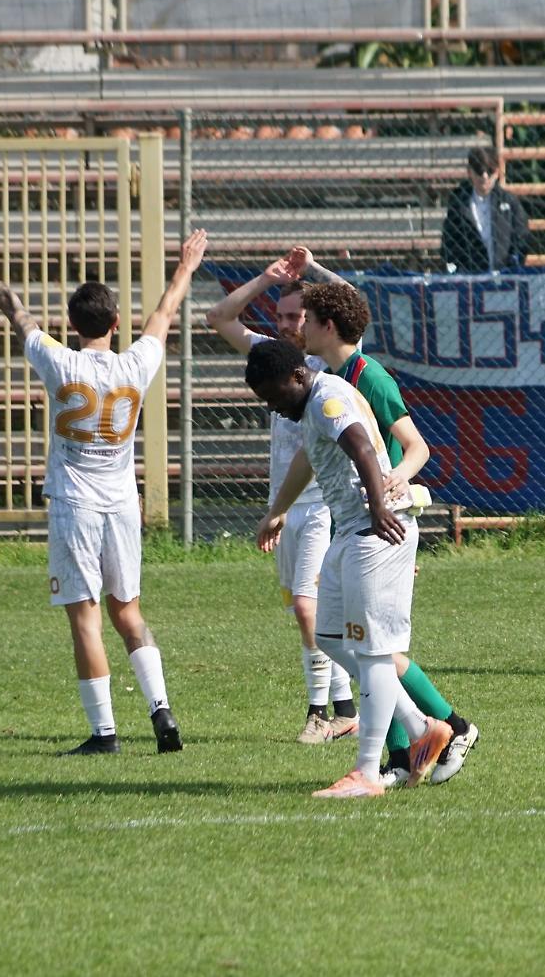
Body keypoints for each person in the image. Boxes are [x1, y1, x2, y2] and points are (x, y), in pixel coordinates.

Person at [0, 230, 207, 756]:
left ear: (70, 326)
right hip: (120, 503)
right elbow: (162, 314)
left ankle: (104, 732)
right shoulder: (135, 363)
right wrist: (185, 268)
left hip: (75, 503)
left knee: (85, 616)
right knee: (128, 612)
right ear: (116, 324)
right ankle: (161, 710)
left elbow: (15, 310)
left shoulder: (59, 361)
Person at [247, 339, 453, 798]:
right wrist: (279, 509)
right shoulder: (311, 405)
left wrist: (379, 509)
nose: (275, 408)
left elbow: (360, 446)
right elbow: (309, 460)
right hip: (351, 532)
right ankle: (422, 728)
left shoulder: (327, 397)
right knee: (329, 637)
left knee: (375, 652)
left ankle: (365, 772)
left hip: (375, 530)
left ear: (297, 377)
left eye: (275, 395)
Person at [300, 278, 480, 785]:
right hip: (359, 524)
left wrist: (394, 484)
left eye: (305, 319)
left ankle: (448, 729)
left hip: (383, 528)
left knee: (378, 651)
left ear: (327, 326)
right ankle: (408, 752)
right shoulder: (328, 373)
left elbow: (417, 446)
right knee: (364, 648)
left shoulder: (368, 377)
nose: (297, 327)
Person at [206, 250, 360, 742]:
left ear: (316, 321)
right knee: (311, 609)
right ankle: (345, 707)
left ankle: (320, 711)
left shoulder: (325, 363)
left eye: (297, 316)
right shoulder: (275, 360)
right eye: (282, 316)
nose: (289, 324)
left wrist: (311, 272)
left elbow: (354, 304)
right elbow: (219, 318)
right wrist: (267, 278)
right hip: (285, 505)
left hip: (324, 506)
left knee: (307, 608)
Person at [441, 144, 529, 274]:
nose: (484, 176)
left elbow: (521, 237)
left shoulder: (509, 201)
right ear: (469, 171)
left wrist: (512, 266)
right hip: (470, 277)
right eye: (478, 170)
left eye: (490, 170)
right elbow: (449, 240)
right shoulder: (459, 203)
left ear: (498, 172)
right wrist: (458, 267)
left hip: (503, 276)